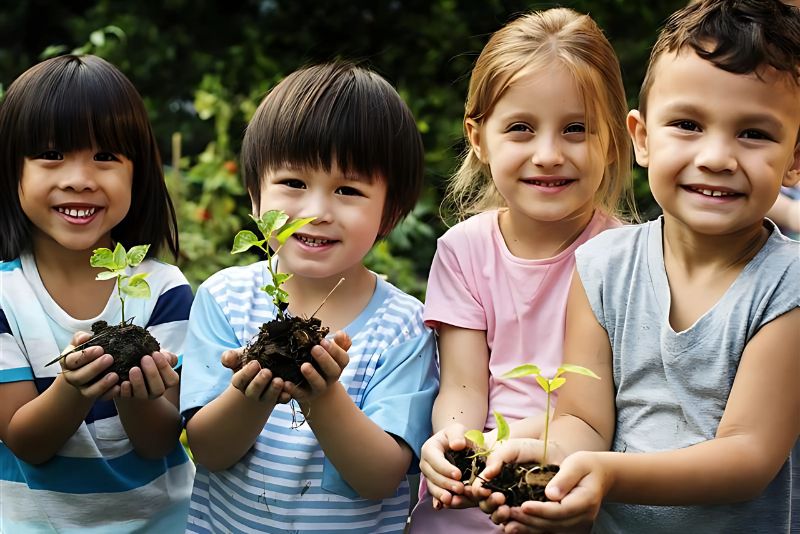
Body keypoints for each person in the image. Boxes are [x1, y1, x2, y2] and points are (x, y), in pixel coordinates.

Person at [476, 1, 800, 532]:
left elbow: (749, 457)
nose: (717, 156)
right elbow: (584, 421)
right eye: (688, 124)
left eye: (754, 133)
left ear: (795, 157)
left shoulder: (787, 284)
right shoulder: (602, 267)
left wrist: (607, 474)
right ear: (642, 137)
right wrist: (520, 456)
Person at [179, 62, 439, 534]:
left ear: (391, 211)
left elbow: (380, 477)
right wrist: (252, 393)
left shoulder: (405, 327)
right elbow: (209, 451)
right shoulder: (225, 298)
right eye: (294, 184)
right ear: (255, 196)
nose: (317, 212)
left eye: (348, 189)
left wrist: (323, 395)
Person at [408, 8, 634, 533]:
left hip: (564, 494)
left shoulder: (626, 257)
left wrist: (527, 458)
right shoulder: (464, 250)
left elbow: (594, 417)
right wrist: (453, 443)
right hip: (467, 504)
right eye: (521, 129)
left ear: (611, 139)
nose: (549, 154)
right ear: (478, 137)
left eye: (576, 129)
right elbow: (463, 387)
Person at [0, 55, 194, 532]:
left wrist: (135, 391)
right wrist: (73, 386)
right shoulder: (4, 295)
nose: (80, 178)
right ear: (12, 170)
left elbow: (161, 440)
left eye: (106, 157)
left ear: (138, 172)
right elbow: (24, 439)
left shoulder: (163, 290)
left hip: (160, 523)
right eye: (51, 154)